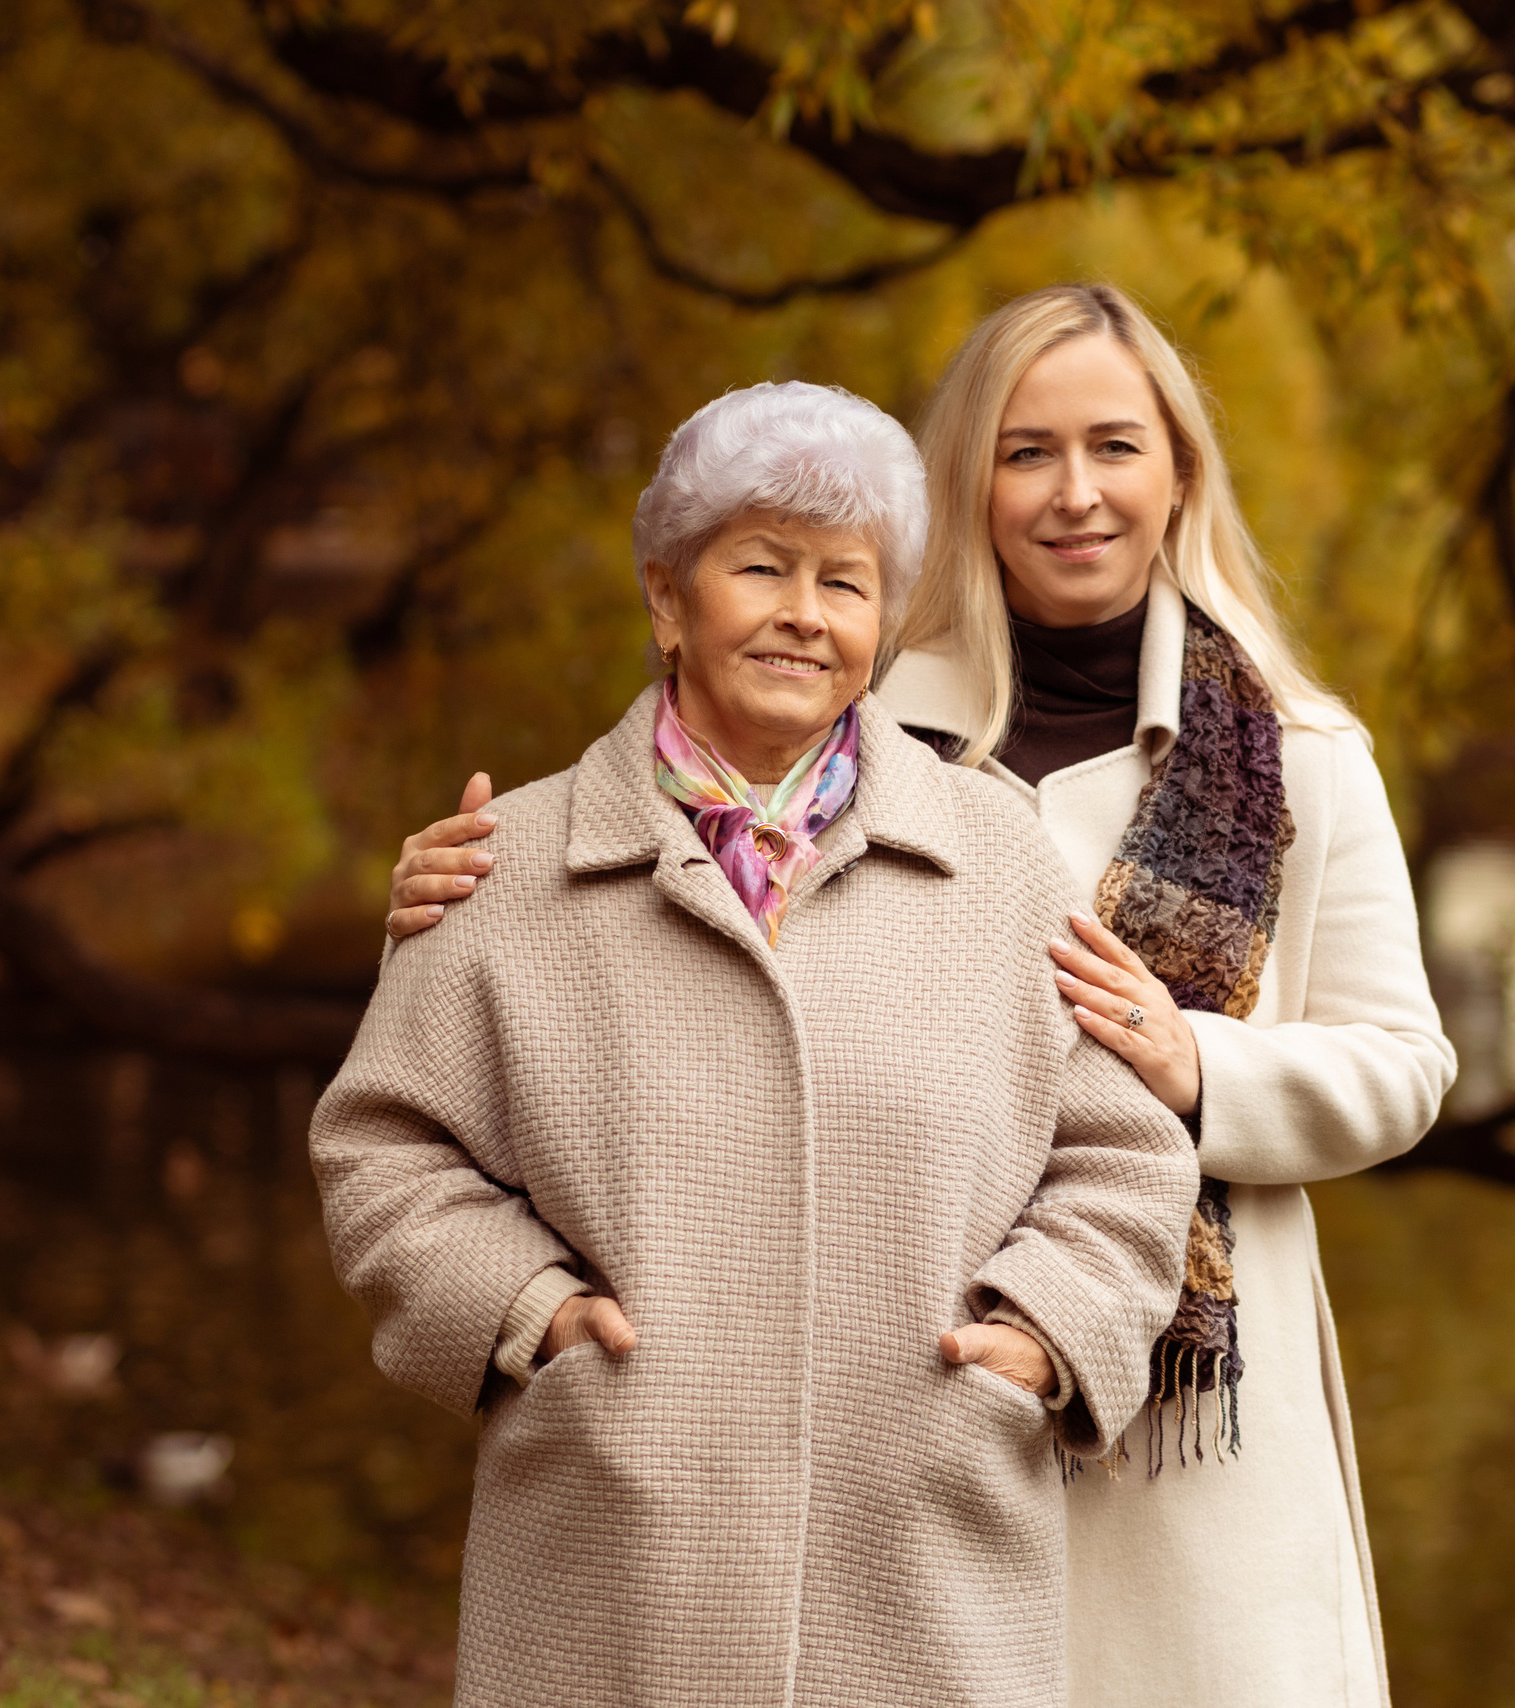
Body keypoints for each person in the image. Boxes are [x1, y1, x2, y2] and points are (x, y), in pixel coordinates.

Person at [387, 287, 1455, 1708]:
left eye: (1115, 447)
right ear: (967, 485)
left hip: (1190, 1401)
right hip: (883, 1413)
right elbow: (650, 920)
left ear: (1179, 473)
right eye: (1026, 452)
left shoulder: (1302, 754)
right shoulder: (859, 719)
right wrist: (452, 899)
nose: (1075, 493)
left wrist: (1194, 1067)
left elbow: (1403, 1063)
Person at [318, 379, 1199, 1708]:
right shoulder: (506, 869)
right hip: (613, 1559)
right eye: (761, 567)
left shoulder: (1002, 863)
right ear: (668, 598)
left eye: (846, 582)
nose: (804, 613)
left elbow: (1124, 1159)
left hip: (926, 1553)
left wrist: (1039, 1337)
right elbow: (385, 1155)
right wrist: (529, 1317)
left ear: (882, 624)